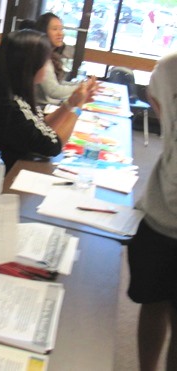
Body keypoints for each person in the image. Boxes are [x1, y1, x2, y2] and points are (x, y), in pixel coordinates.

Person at [0, 29, 98, 208]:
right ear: (30, 64)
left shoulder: (13, 94)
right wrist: (77, 108)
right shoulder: (7, 107)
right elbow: (53, 145)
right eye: (45, 60)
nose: (48, 66)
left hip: (6, 177)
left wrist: (70, 103)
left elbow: (41, 127)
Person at [127, 52, 177, 371]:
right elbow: (154, 96)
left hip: (161, 210)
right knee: (152, 301)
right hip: (160, 215)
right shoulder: (171, 66)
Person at [34, 12, 79, 107]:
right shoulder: (40, 56)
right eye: (55, 29)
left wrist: (80, 85)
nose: (60, 33)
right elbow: (54, 90)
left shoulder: (50, 54)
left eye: (61, 29)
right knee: (75, 110)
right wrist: (80, 88)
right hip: (42, 109)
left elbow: (57, 83)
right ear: (43, 32)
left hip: (51, 106)